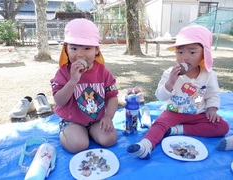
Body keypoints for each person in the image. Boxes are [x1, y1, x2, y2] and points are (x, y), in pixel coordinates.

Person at [127, 25, 229, 159]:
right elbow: (160, 96)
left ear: (204, 54)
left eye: (192, 52)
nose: (185, 58)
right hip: (174, 112)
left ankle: (177, 130)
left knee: (222, 127)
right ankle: (146, 146)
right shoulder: (170, 73)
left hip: (198, 113)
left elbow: (213, 94)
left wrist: (212, 109)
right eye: (180, 52)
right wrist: (170, 83)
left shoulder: (209, 75)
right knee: (159, 123)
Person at [50, 18, 118, 153]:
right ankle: (67, 130)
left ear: (97, 50)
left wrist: (108, 117)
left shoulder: (102, 71)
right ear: (66, 50)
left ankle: (90, 131)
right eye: (74, 48)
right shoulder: (63, 72)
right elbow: (59, 101)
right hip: (72, 120)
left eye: (87, 48)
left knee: (110, 139)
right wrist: (73, 81)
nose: (80, 54)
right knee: (78, 145)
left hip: (96, 120)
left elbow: (112, 96)